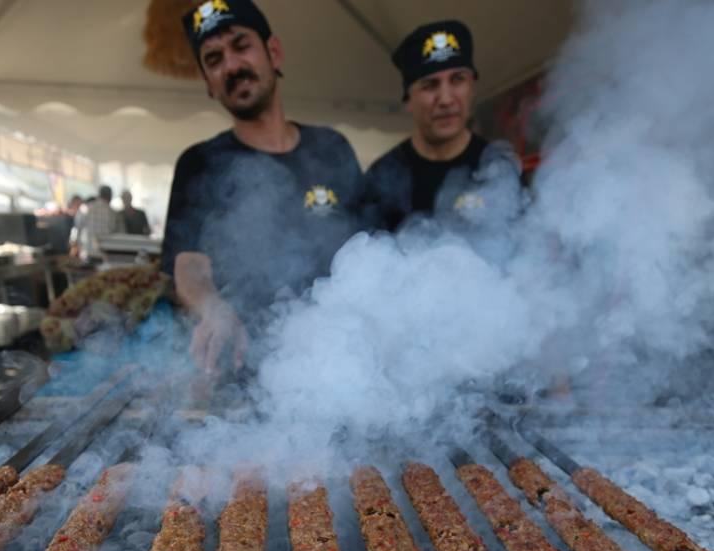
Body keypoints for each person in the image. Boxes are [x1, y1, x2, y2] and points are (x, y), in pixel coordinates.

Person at [161, 0, 363, 375]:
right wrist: (213, 308)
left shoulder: (332, 149)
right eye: (214, 59)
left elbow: (372, 256)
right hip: (245, 370)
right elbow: (188, 267)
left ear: (274, 52)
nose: (232, 66)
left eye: (241, 45)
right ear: (208, 83)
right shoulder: (199, 163)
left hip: (341, 369)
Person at [363, 21, 522, 233]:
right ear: (408, 99)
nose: (446, 99)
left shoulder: (500, 170)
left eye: (458, 80)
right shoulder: (381, 177)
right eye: (430, 85)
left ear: (472, 87)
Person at [78, 185, 122, 261]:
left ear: (99, 195)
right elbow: (119, 233)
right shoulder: (113, 213)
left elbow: (78, 227)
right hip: (107, 255)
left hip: (88, 252)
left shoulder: (86, 208)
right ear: (110, 196)